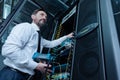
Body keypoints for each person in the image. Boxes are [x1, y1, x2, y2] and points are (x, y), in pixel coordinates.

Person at [0, 9, 74, 80]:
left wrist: (66, 37)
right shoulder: (26, 27)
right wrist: (36, 65)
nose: (44, 17)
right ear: (33, 16)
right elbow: (9, 50)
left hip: (23, 76)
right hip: (12, 74)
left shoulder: (38, 37)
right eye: (41, 14)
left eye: (46, 17)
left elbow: (51, 44)